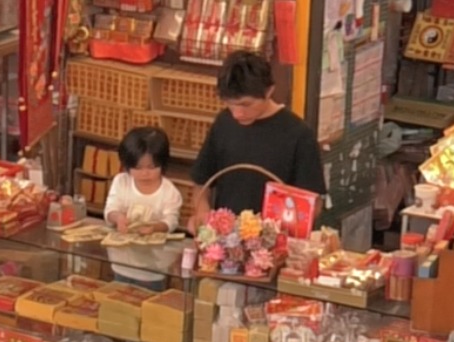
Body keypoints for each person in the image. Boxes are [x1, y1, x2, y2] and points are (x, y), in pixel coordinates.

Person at [188, 51, 325, 215]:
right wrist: (203, 214)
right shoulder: (223, 123)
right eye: (230, 104)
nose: (237, 113)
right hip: (226, 235)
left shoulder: (298, 134)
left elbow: (313, 203)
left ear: (269, 91)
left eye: (246, 104)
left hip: (276, 234)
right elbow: (201, 184)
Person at [106, 126, 183, 288]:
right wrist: (118, 217)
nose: (145, 173)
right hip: (122, 262)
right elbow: (111, 208)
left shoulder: (169, 191)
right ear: (126, 165)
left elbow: (172, 220)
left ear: (163, 163)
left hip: (154, 268)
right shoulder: (121, 182)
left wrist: (156, 227)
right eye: (138, 168)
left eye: (151, 167)